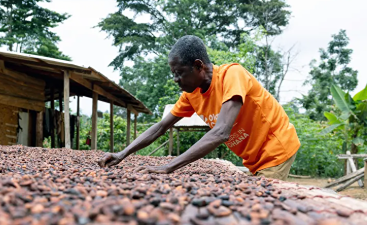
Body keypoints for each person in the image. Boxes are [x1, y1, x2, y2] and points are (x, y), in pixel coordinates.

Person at [98, 35, 300, 180]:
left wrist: (169, 166)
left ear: (198, 66)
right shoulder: (191, 95)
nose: (176, 80)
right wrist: (122, 154)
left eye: (180, 73)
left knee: (263, 206)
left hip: (275, 148)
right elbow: (160, 127)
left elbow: (221, 132)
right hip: (253, 157)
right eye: (173, 74)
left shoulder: (232, 75)